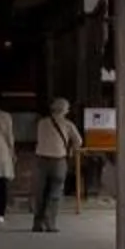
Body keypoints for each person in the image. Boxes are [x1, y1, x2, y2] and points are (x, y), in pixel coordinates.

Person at [31, 97, 84, 233]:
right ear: (65, 110)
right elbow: (78, 141)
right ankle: (50, 223)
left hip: (41, 160)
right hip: (59, 160)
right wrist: (71, 150)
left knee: (40, 192)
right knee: (55, 193)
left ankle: (38, 223)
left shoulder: (41, 123)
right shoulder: (68, 125)